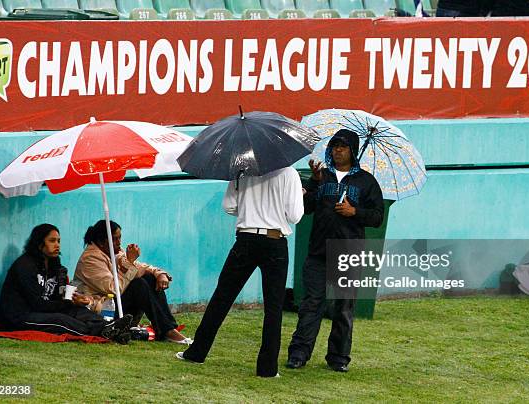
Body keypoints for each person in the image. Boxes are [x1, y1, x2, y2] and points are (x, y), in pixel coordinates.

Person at [177, 166, 304, 377]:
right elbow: (295, 215)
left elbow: (229, 206)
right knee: (273, 307)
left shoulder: (241, 172)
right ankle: (267, 368)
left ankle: (197, 352)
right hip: (274, 241)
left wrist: (250, 207)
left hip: (245, 238)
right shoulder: (289, 173)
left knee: (222, 298)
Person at [287, 129, 385, 373]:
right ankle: (299, 354)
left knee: (343, 308)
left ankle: (339, 358)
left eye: (343, 147)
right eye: (334, 146)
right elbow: (305, 208)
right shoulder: (323, 177)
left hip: (348, 253)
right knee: (312, 305)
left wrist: (356, 212)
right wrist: (314, 181)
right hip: (318, 252)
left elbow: (377, 217)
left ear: (353, 150)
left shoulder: (366, 181)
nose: (337, 150)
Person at [0, 223, 132, 344]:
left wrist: (74, 299)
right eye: (52, 241)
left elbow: (57, 296)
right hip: (21, 316)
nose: (57, 245)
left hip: (43, 308)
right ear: (39, 243)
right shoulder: (25, 266)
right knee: (60, 320)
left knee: (77, 310)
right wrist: (66, 303)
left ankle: (110, 327)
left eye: (58, 241)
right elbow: (37, 304)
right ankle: (102, 332)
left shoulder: (54, 264)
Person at [73, 220, 190, 344]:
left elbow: (139, 267)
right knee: (138, 285)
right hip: (101, 311)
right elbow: (113, 288)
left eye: (120, 238)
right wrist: (129, 263)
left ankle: (169, 328)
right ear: (102, 242)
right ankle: (167, 331)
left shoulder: (113, 252)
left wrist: (159, 273)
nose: (119, 243)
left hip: (116, 307)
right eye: (115, 239)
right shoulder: (90, 259)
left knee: (149, 278)